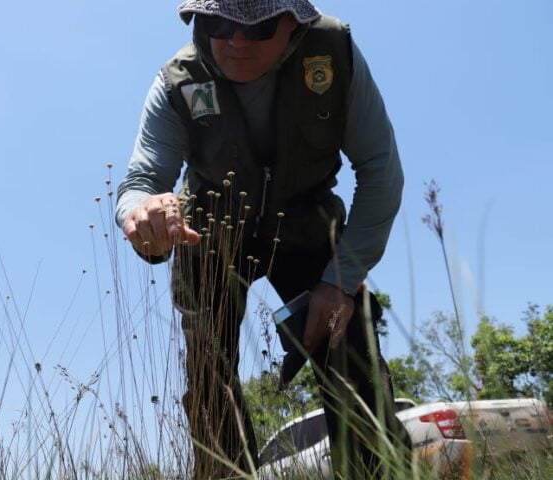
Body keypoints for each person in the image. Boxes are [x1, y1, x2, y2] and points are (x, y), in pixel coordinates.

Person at [115, 0, 412, 478]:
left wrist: (340, 280)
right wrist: (142, 211)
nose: (235, 40)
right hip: (208, 229)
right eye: (218, 23)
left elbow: (381, 172)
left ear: (293, 23)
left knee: (352, 357)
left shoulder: (334, 54)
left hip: (307, 222)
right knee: (209, 379)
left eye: (258, 27)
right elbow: (142, 180)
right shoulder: (176, 82)